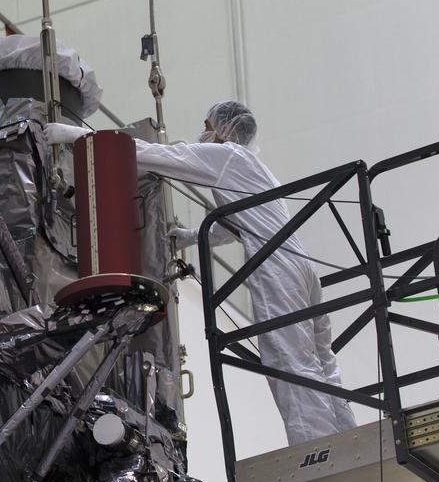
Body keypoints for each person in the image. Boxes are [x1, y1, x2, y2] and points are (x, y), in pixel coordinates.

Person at [132, 101, 358, 445]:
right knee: (322, 360)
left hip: (276, 265)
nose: (203, 131)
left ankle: (318, 451)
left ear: (224, 130)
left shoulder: (226, 157)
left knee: (289, 360)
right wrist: (194, 237)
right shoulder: (256, 168)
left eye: (207, 125)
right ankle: (348, 436)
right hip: (302, 266)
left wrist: (79, 138)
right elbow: (240, 222)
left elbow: (161, 157)